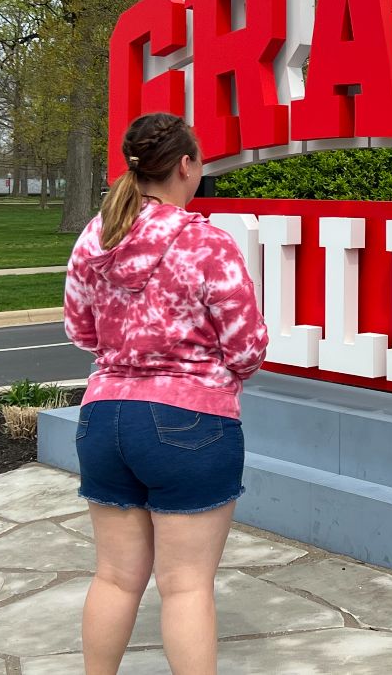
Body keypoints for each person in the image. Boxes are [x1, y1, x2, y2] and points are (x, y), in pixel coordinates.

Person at [64, 112, 268, 675]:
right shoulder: (207, 243)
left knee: (113, 577)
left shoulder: (95, 235)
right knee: (185, 588)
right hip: (190, 423)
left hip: (103, 420)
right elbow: (247, 346)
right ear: (185, 165)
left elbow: (80, 330)